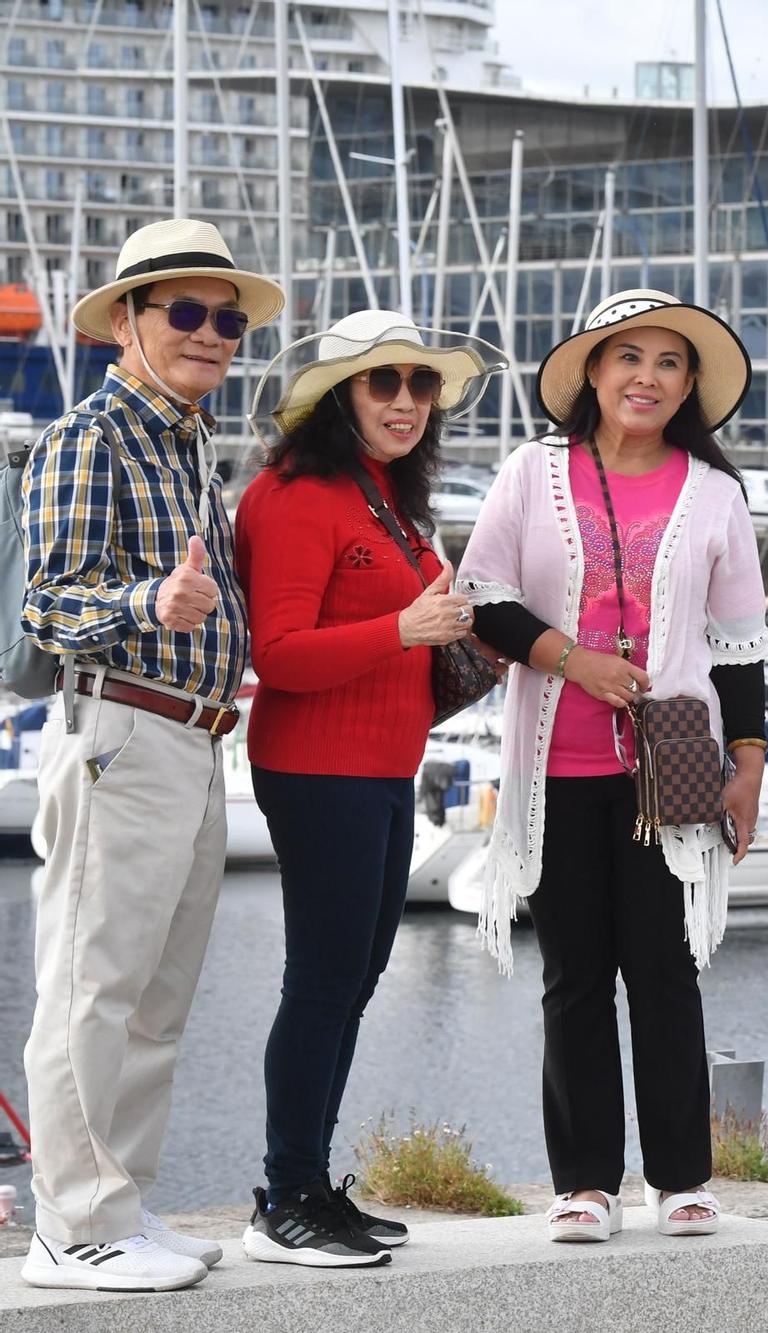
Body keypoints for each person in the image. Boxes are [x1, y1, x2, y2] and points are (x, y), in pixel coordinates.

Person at [458, 289, 767, 1243]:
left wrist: (748, 766)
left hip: (669, 770)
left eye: (669, 362)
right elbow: (483, 597)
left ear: (689, 386)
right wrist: (572, 659)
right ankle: (584, 1181)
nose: (647, 376)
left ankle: (680, 1178)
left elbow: (741, 646)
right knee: (576, 977)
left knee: (666, 974)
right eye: (627, 357)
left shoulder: (716, 493)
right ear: (590, 372)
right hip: (557, 767)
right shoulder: (530, 471)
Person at [17, 219, 283, 1292]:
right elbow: (47, 603)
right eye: (185, 310)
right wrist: (151, 599)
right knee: (94, 983)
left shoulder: (184, 440)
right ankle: (70, 1226)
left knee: (155, 996)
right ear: (125, 321)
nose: (211, 332)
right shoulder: (89, 436)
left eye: (226, 318)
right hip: (121, 731)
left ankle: (117, 1205)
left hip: (188, 737)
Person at [233, 312, 504, 1266]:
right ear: (339, 394)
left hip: (385, 770)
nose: (405, 402)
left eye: (420, 386)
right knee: (321, 983)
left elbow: (416, 635)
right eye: (383, 382)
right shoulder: (298, 495)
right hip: (317, 768)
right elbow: (279, 654)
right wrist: (405, 630)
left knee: (353, 980)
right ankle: (285, 1196)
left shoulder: (381, 494)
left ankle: (307, 1183)